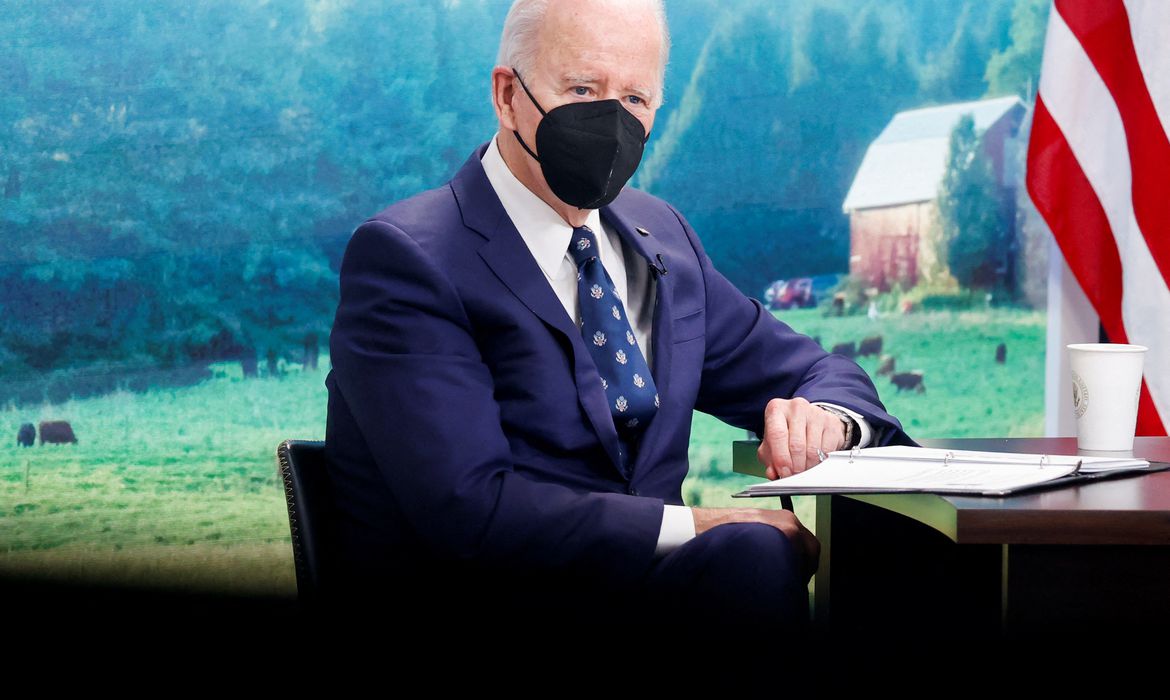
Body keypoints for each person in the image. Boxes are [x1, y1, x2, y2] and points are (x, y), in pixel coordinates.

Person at [324, 0, 911, 638]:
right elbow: (467, 510)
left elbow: (819, 372)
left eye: (635, 98)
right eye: (582, 89)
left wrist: (825, 419)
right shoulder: (409, 258)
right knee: (751, 551)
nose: (611, 121)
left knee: (780, 559)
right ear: (507, 96)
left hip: (660, 615)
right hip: (491, 614)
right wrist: (698, 525)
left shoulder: (662, 235)